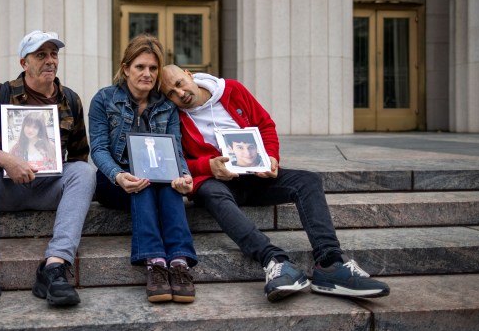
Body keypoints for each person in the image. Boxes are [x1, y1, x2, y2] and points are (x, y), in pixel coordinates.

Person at [160, 66, 390, 301]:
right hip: (218, 183)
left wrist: (271, 157)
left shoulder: (232, 90)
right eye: (171, 93)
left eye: (179, 83)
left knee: (308, 181)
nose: (180, 94)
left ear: (189, 74)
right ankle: (275, 261)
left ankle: (331, 264)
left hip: (256, 177)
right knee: (209, 193)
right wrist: (207, 167)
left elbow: (265, 125)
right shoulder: (172, 115)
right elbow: (177, 159)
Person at [0, 30, 95, 314]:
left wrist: (51, 162)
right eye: (41, 55)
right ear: (24, 63)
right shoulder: (1, 93)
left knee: (84, 172)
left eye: (54, 54)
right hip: (5, 189)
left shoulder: (70, 100)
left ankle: (55, 267)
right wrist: (4, 158)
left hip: (47, 190)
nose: (50, 61)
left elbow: (78, 154)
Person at [89, 35, 197, 303]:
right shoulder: (104, 99)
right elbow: (99, 149)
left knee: (170, 184)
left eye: (152, 68)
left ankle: (180, 263)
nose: (147, 74)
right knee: (144, 185)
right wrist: (118, 175)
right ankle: (155, 262)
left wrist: (184, 176)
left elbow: (175, 150)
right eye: (140, 67)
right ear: (126, 68)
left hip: (155, 177)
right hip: (113, 179)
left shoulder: (167, 106)